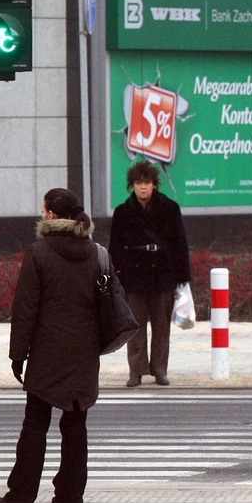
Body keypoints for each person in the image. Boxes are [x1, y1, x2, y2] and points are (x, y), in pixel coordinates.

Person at [0, 188, 104, 503]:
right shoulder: (95, 252)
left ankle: (22, 494)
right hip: (84, 349)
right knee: (75, 423)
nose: (42, 216)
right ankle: (71, 494)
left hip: (47, 350)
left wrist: (18, 355)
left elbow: (25, 308)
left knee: (35, 423)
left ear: (53, 216)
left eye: (44, 211)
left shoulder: (39, 253)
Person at [108, 160, 191, 387]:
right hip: (133, 277)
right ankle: (136, 371)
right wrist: (119, 275)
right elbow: (115, 247)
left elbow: (180, 244)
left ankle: (159, 370)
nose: (143, 187)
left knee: (161, 326)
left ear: (154, 184)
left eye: (147, 182)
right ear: (131, 185)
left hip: (163, 275)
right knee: (134, 327)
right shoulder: (123, 212)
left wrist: (183, 277)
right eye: (138, 183)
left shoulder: (170, 208)